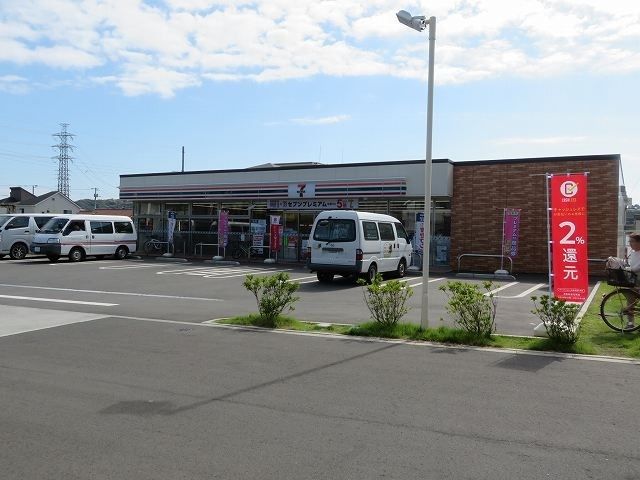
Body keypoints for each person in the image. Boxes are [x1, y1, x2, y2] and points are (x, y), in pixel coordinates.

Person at [622, 232, 640, 329]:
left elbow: (637, 268)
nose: (630, 243)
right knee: (630, 299)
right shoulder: (632, 253)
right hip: (634, 280)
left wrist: (629, 269)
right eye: (629, 241)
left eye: (632, 241)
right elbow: (630, 265)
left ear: (639, 242)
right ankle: (630, 323)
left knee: (632, 301)